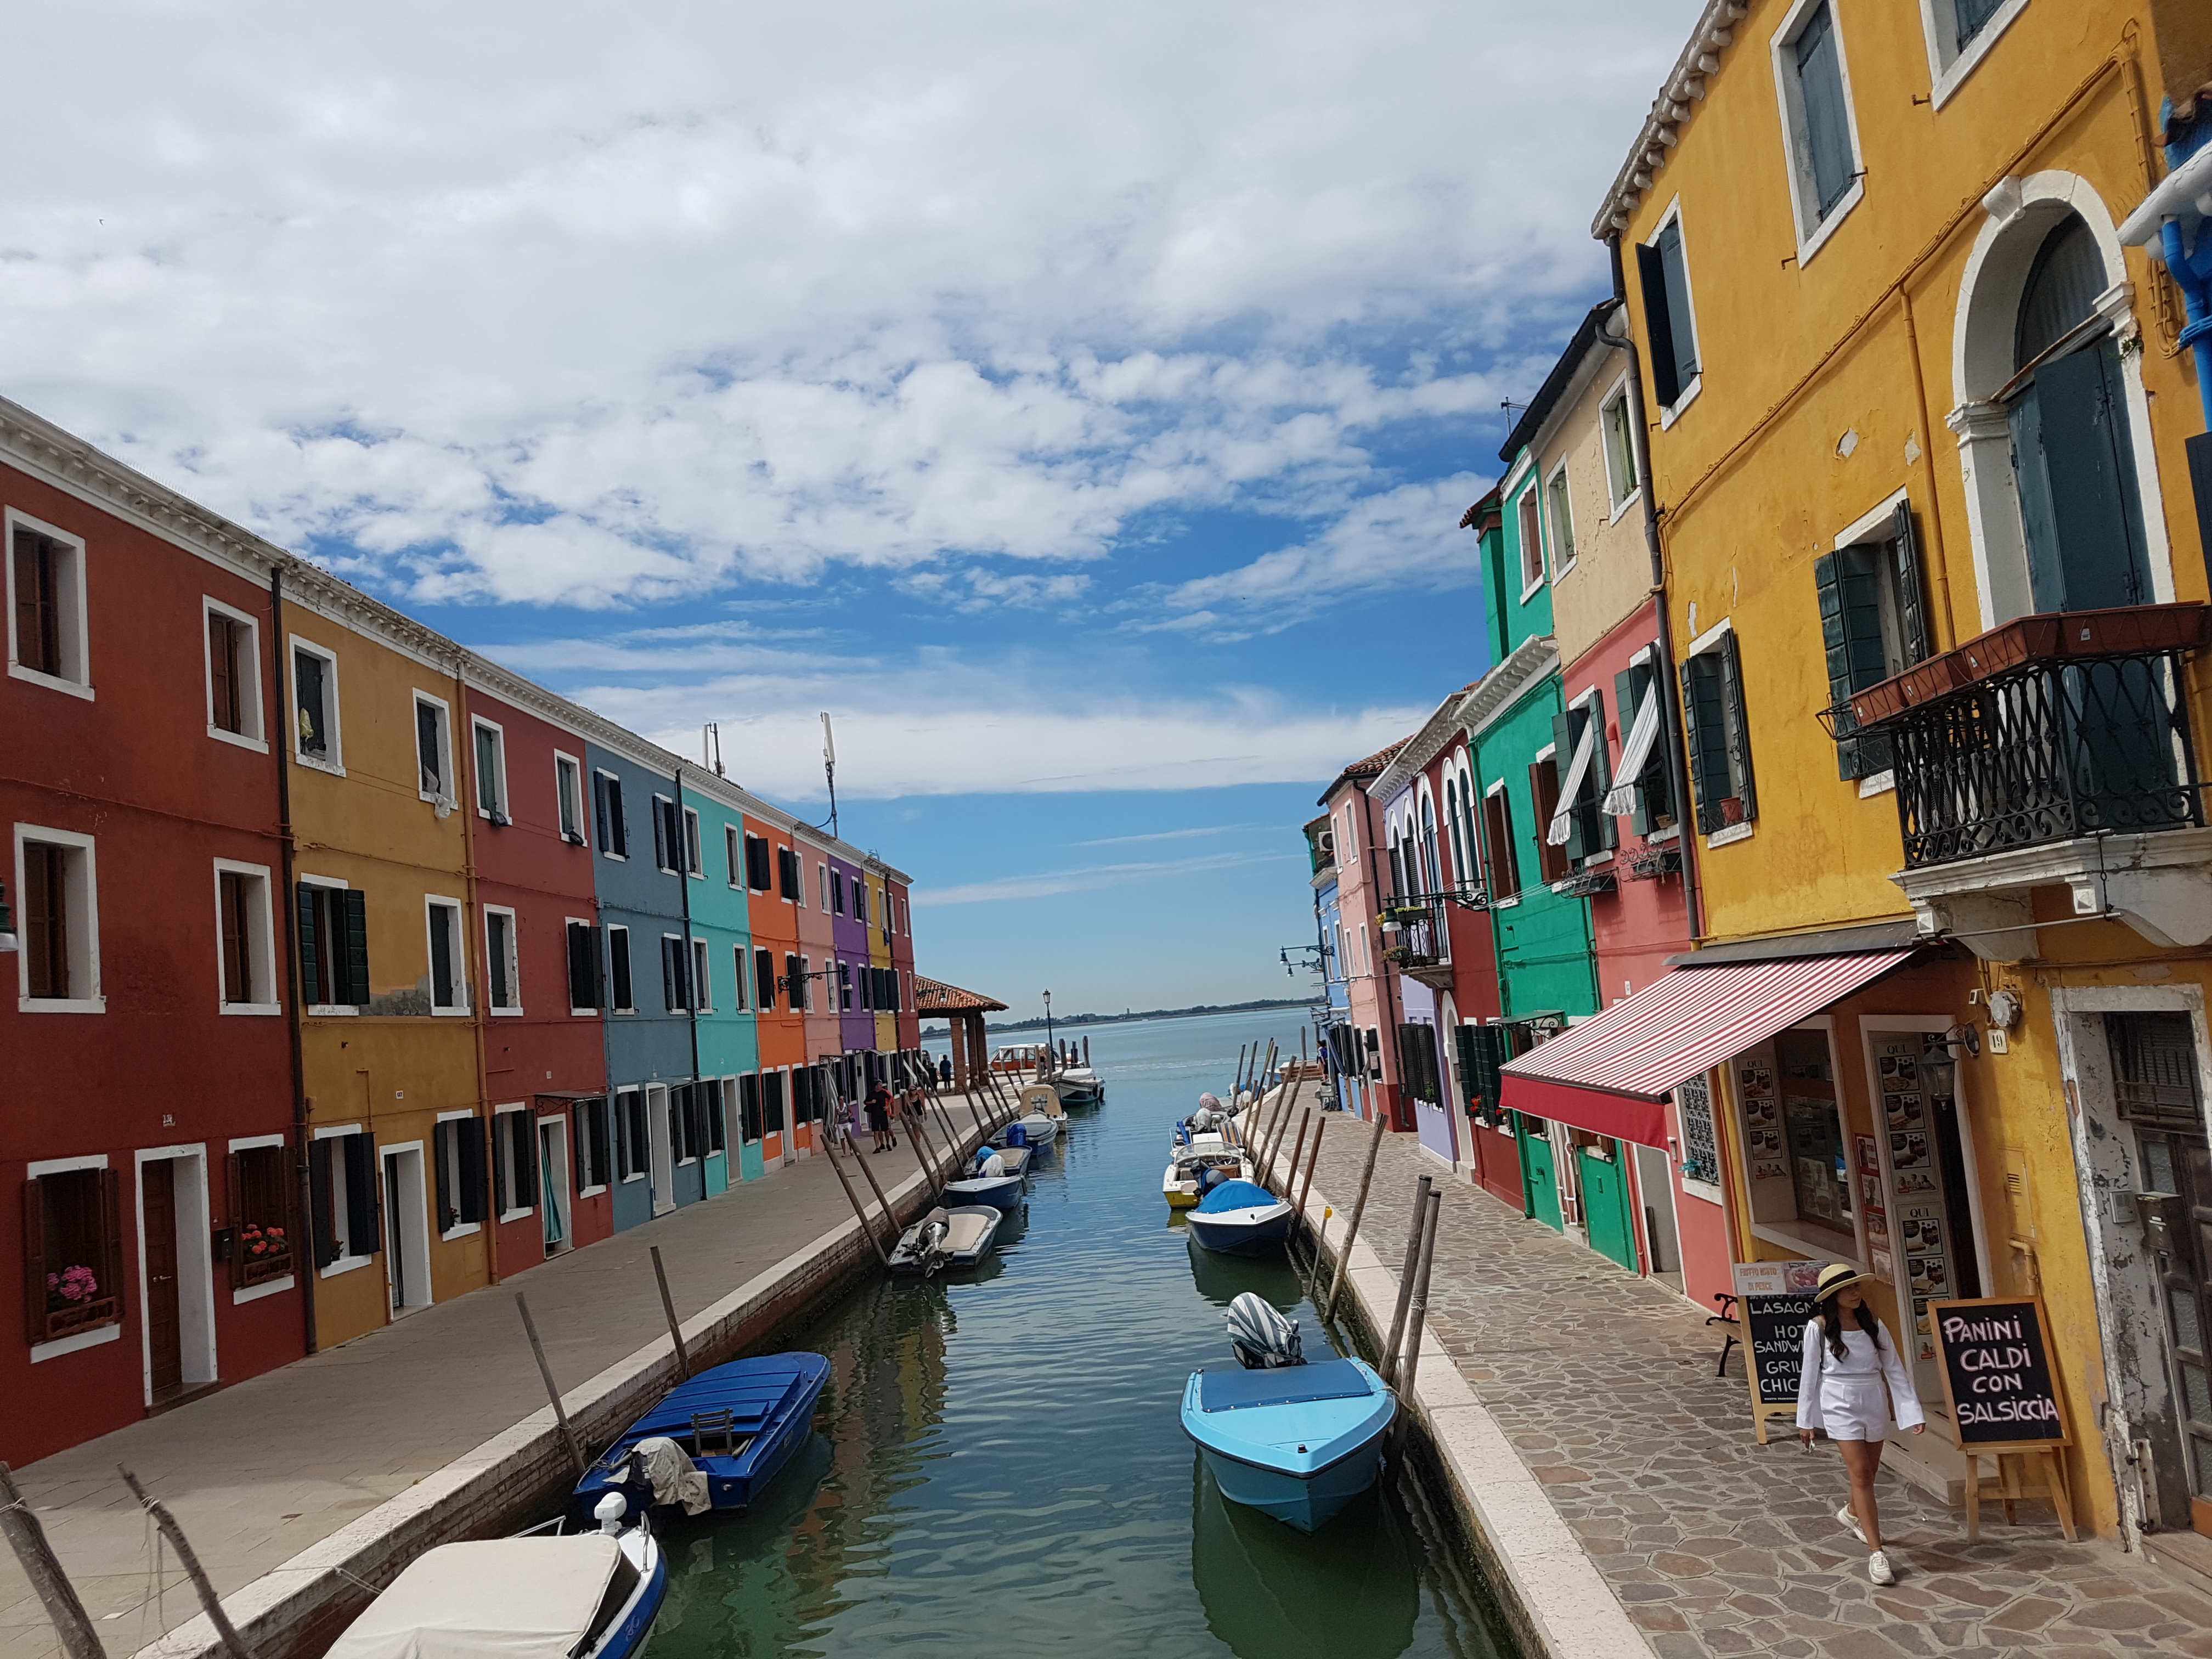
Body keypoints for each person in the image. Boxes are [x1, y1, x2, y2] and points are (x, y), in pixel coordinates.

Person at [1796, 1262, 1923, 1585]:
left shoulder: (1873, 1325)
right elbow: (1809, 1375)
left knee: (1870, 1471)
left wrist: (1912, 1411)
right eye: (1847, 1289)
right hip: (1839, 1402)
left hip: (1873, 1399)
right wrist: (1805, 1420)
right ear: (1833, 1296)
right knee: (1862, 1474)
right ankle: (1877, 1553)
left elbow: (1894, 1368)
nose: (1855, 1293)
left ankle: (1852, 1513)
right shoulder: (1818, 1328)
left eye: (1856, 1287)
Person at [866, 1081, 891, 1152]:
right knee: (876, 1131)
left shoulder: (884, 1093)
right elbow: (866, 1102)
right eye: (880, 1086)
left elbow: (890, 1098)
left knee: (886, 1130)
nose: (881, 1087)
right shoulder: (871, 1094)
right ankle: (877, 1147)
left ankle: (888, 1144)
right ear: (876, 1086)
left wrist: (888, 1106)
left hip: (883, 1113)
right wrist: (871, 1102)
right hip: (875, 1114)